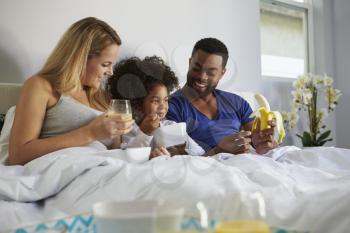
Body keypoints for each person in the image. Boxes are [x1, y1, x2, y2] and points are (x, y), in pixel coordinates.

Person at [8, 17, 133, 165]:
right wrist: (90, 133)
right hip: (66, 173)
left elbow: (115, 153)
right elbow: (18, 155)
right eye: (105, 64)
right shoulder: (41, 86)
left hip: (105, 172)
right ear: (80, 58)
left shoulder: (101, 98)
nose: (110, 72)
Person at [167, 37, 277, 155]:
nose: (202, 76)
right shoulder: (171, 107)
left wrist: (264, 143)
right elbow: (177, 160)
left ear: (222, 73)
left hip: (248, 163)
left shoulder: (237, 102)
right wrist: (219, 150)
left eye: (210, 72)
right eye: (197, 68)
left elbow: (259, 144)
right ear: (189, 63)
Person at [106, 56, 205, 158]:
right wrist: (144, 133)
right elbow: (127, 157)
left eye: (166, 100)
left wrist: (181, 151)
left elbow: (200, 152)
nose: (163, 107)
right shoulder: (128, 130)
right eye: (156, 101)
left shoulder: (171, 126)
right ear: (137, 103)